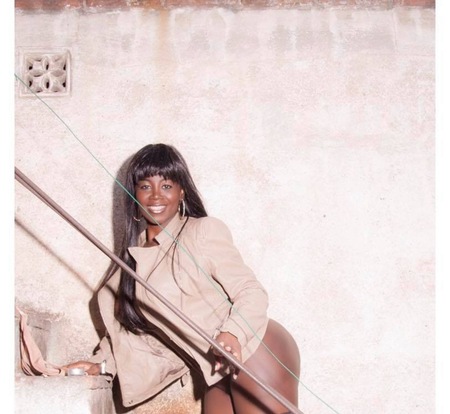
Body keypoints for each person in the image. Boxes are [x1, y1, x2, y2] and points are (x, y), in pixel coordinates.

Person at [64, 143, 300, 413]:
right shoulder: (130, 263)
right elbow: (135, 336)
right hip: (214, 369)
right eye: (145, 186)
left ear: (182, 192)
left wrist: (232, 334)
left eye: (166, 186)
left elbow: (251, 291)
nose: (156, 195)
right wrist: (102, 365)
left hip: (254, 348)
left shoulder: (202, 232)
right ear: (133, 193)